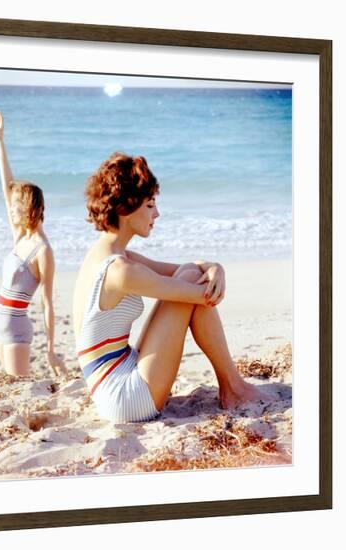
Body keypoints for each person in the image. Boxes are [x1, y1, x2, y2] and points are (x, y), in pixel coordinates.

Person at [73, 152, 264, 423]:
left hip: (114, 377)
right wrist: (212, 279)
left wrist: (214, 266)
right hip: (125, 399)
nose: (157, 214)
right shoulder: (120, 271)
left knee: (187, 274)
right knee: (190, 283)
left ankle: (233, 385)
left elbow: (181, 270)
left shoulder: (108, 255)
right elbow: (200, 294)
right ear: (127, 207)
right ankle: (234, 387)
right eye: (150, 205)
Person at [0, 110, 66, 377]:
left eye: (15, 207)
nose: (10, 210)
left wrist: (50, 350)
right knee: (9, 387)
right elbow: (7, 185)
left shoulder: (43, 251)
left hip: (16, 330)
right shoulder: (19, 234)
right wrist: (0, 142)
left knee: (18, 387)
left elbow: (47, 304)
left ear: (27, 209)